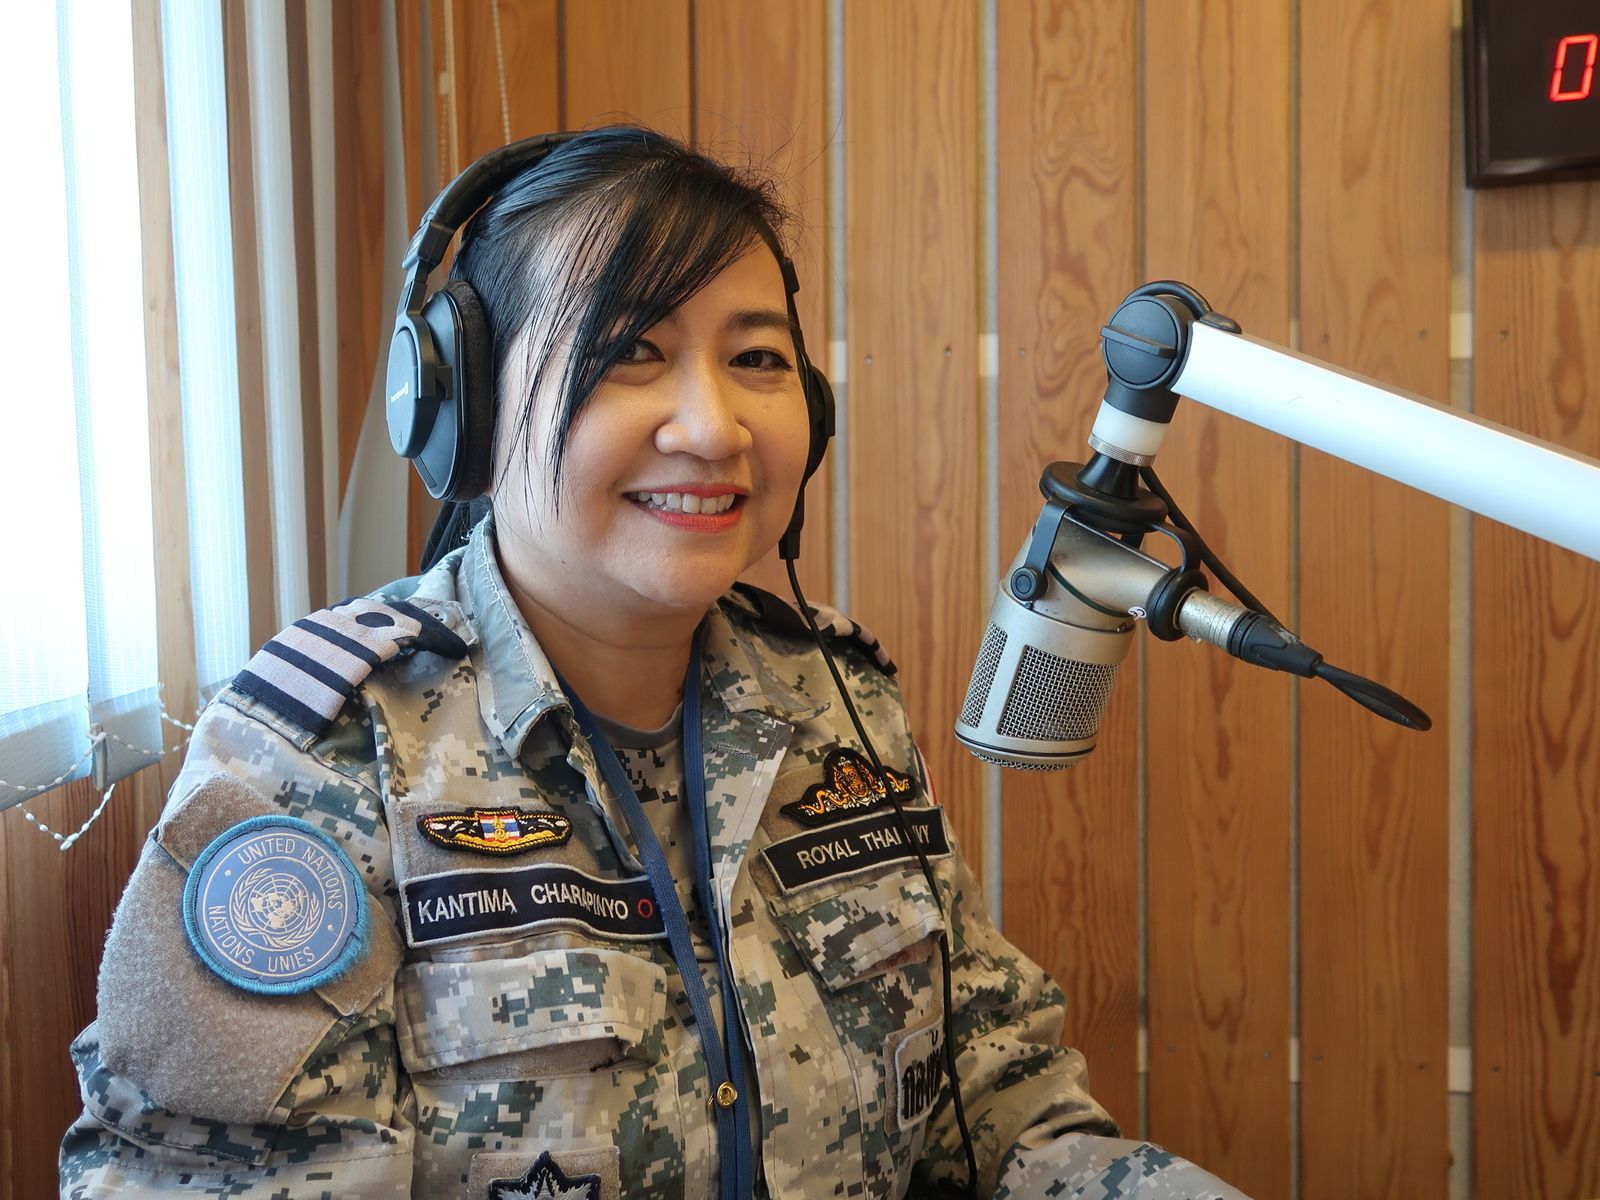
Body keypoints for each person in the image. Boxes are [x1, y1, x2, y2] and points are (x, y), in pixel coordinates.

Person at [59, 127, 1248, 1200]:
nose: (714, 426)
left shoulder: (837, 704)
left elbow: (997, 1113)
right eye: (631, 351)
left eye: (759, 361)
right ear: (460, 405)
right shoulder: (318, 755)